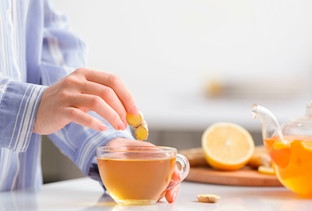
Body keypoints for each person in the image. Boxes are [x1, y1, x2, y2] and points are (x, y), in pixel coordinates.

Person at [0, 0, 180, 203]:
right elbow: (41, 102)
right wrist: (28, 107)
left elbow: (52, 51)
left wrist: (109, 143)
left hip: (20, 200)